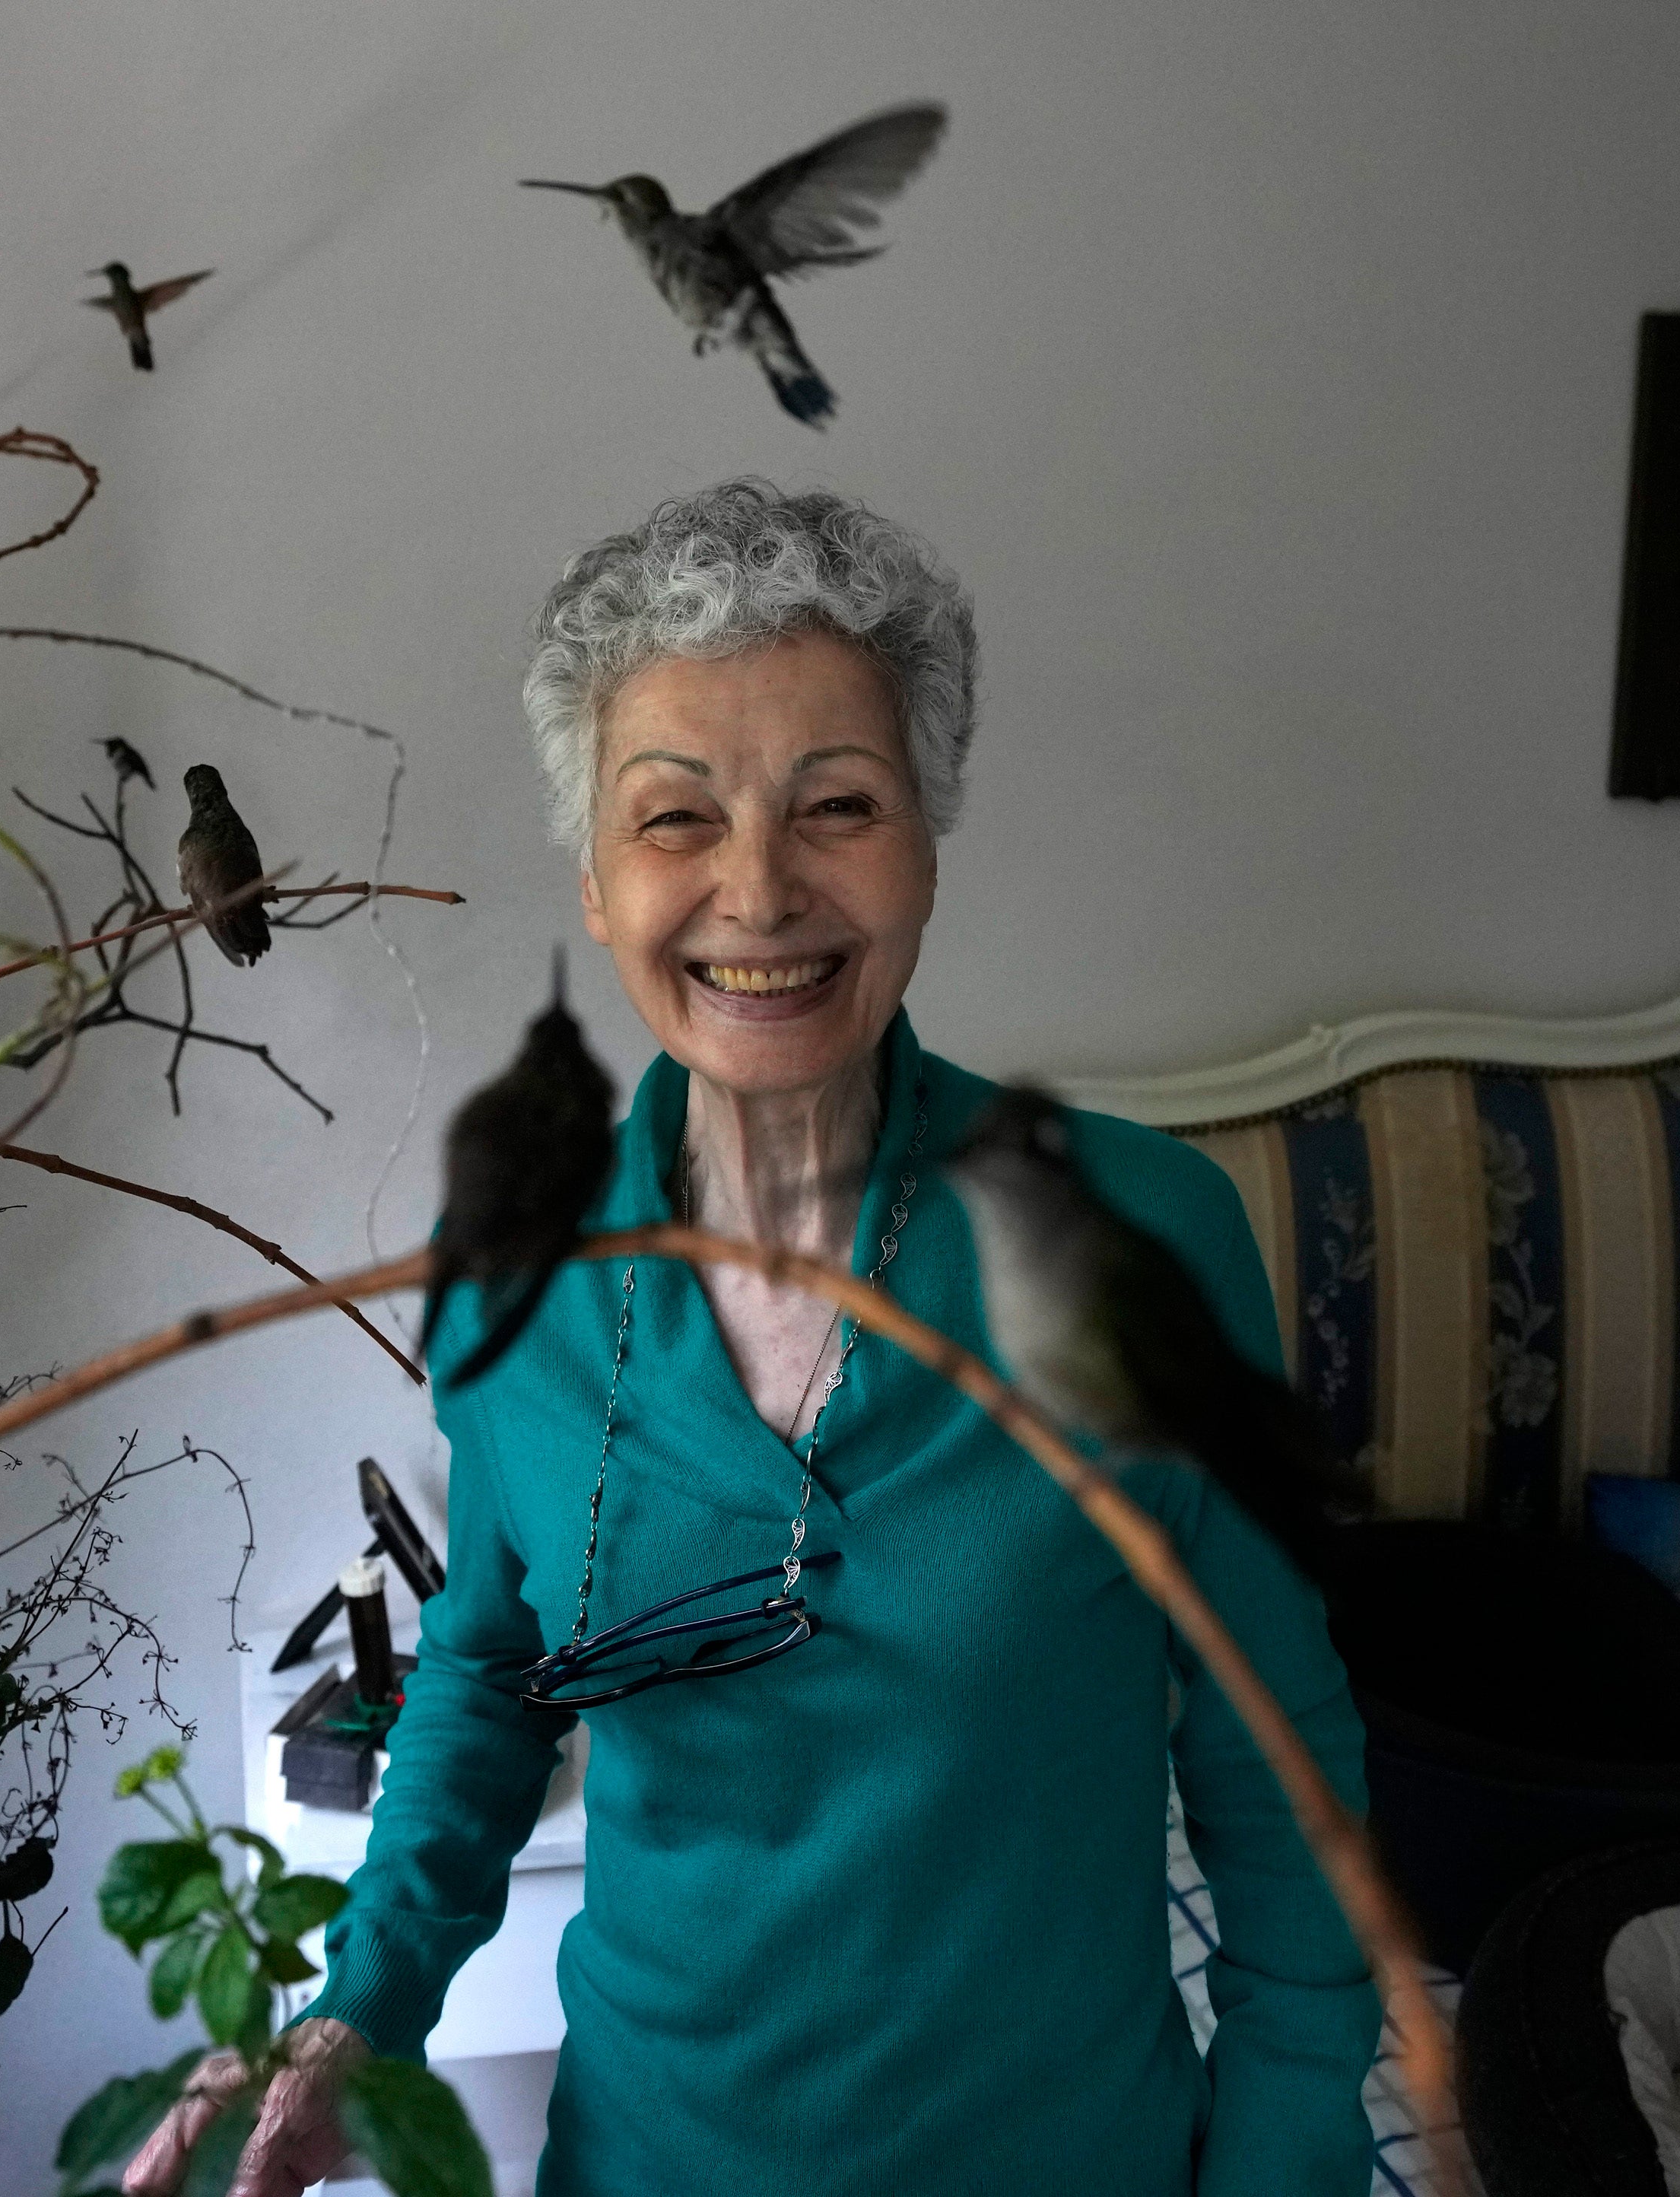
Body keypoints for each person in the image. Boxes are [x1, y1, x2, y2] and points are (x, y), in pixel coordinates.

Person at [125, 481, 1378, 2197]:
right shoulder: (515, 1276)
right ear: (596, 881)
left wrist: (1289, 2156)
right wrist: (364, 2009)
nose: (760, 887)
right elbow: (489, 1674)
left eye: (837, 804)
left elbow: (1280, 1764)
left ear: (926, 841)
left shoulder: (1145, 1236)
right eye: (676, 818)